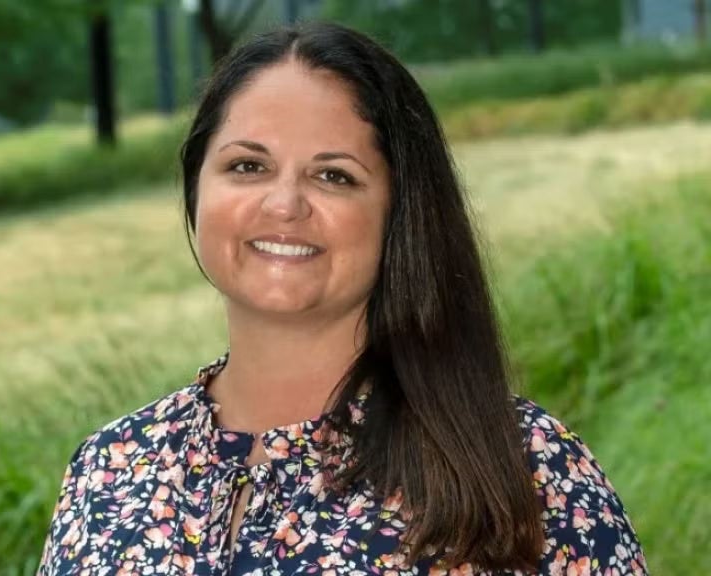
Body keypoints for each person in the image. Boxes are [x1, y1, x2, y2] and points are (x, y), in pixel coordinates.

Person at [37, 21, 648, 576]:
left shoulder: (525, 469)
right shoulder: (108, 470)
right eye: (247, 166)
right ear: (197, 186)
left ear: (400, 214)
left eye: (335, 176)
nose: (284, 205)